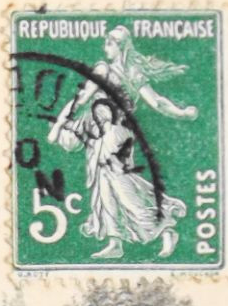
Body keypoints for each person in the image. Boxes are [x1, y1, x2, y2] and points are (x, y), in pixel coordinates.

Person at [48, 94, 186, 261]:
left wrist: (71, 126)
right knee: (109, 209)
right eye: (96, 114)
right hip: (104, 176)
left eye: (100, 113)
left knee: (135, 207)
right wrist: (65, 122)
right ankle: (115, 245)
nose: (96, 117)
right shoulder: (103, 134)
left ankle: (167, 232)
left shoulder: (120, 131)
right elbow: (85, 138)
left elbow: (107, 150)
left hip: (121, 177)